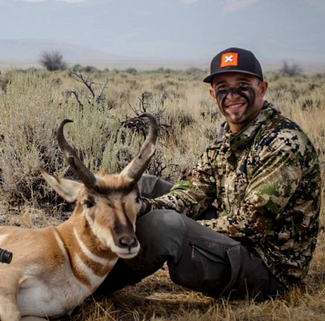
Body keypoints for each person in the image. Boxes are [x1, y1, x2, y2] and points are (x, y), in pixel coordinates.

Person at [96, 47, 322, 300]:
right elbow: (193, 192)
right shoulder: (228, 137)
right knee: (142, 187)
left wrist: (171, 222)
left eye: (243, 84)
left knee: (165, 225)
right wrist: (146, 207)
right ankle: (75, 255)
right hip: (237, 243)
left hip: (268, 267)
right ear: (213, 95)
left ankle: (84, 287)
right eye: (223, 87)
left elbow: (250, 225)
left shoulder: (283, 143)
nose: (232, 94)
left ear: (263, 88)